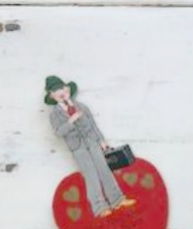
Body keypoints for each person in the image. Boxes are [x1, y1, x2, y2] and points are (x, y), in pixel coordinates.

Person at [44, 76, 136, 219]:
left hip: (92, 142)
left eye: (62, 88)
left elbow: (93, 125)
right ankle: (100, 207)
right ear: (52, 95)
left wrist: (101, 140)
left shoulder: (81, 106)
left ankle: (117, 200)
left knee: (104, 169)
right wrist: (71, 121)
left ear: (68, 89)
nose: (61, 92)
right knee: (91, 175)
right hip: (78, 148)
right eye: (56, 90)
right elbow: (58, 132)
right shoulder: (54, 115)